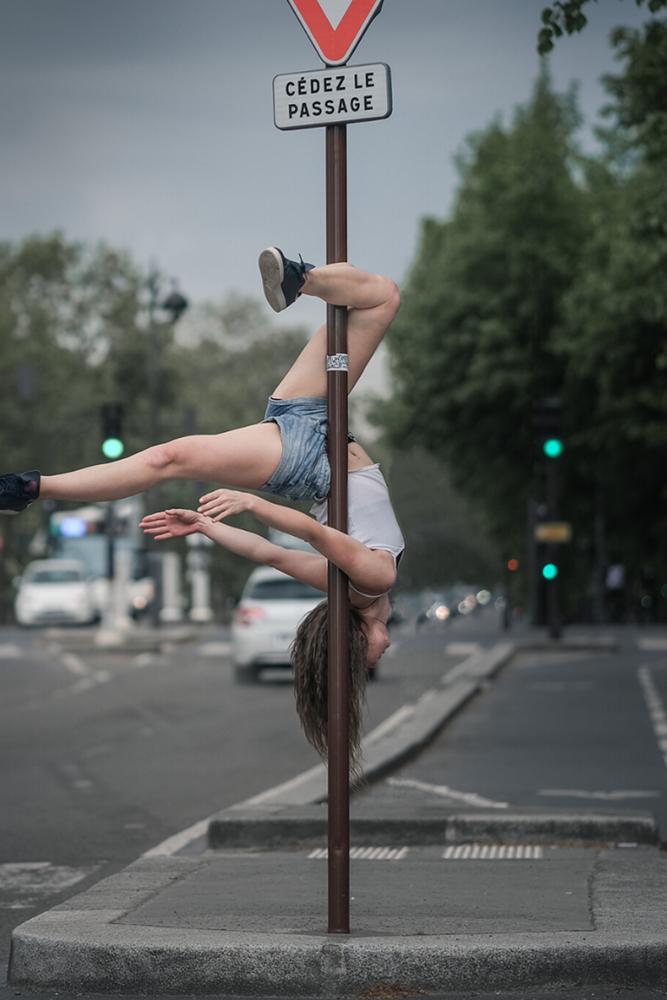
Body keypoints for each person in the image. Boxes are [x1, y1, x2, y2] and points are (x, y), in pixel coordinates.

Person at [0, 247, 404, 766]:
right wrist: (209, 529)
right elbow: (271, 556)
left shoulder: (373, 581)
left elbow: (312, 539)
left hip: (313, 460)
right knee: (380, 299)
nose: (379, 656)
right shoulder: (353, 588)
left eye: (362, 661)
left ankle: (30, 488)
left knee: (173, 457)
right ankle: (299, 280)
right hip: (319, 424)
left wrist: (246, 506)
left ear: (357, 645)